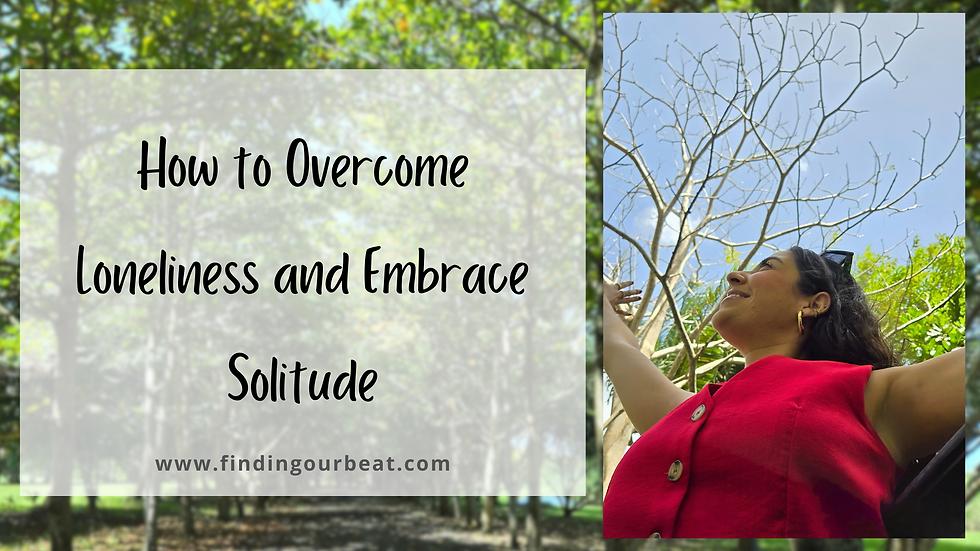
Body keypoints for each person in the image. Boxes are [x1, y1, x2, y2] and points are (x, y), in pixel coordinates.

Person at [602, 247, 964, 538]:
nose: (734, 275)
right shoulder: (679, 412)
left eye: (767, 266)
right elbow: (616, 345)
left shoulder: (875, 395)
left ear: (814, 303)